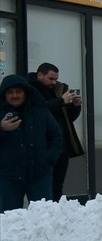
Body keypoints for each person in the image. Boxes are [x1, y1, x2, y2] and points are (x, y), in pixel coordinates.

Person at [0, 74, 63, 212]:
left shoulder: (40, 110)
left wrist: (49, 159)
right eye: (10, 92)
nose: (15, 95)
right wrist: (2, 129)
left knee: (44, 216)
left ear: (25, 93)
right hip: (8, 176)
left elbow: (56, 136)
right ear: (4, 95)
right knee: (8, 219)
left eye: (18, 92)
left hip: (39, 174)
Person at [28, 63, 84, 200]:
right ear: (39, 75)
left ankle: (56, 212)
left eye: (56, 79)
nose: (54, 82)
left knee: (58, 185)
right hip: (43, 145)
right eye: (50, 78)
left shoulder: (59, 89)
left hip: (61, 146)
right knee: (43, 185)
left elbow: (68, 118)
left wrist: (75, 106)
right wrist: (60, 101)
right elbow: (39, 113)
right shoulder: (30, 90)